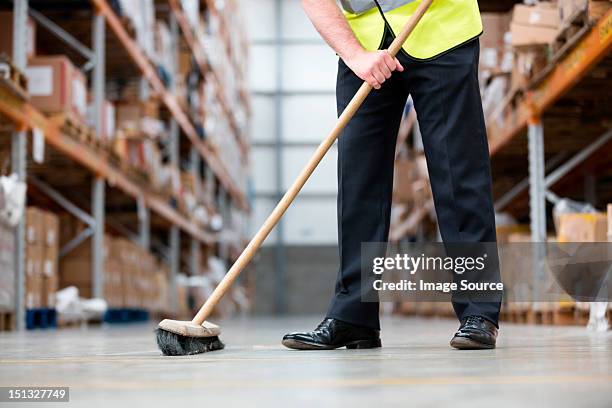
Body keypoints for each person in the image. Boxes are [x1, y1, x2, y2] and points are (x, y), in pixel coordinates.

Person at [282, 0, 501, 350]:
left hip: (439, 28)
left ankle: (480, 311)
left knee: (459, 174)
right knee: (358, 181)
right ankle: (354, 316)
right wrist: (354, 55)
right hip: (363, 44)